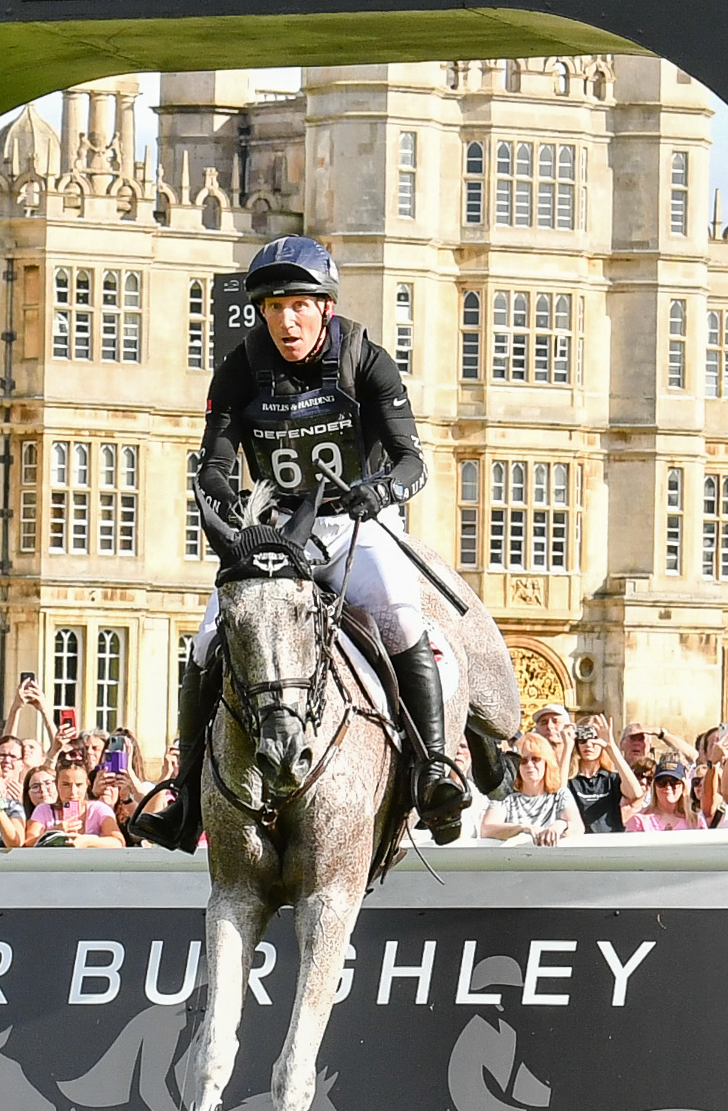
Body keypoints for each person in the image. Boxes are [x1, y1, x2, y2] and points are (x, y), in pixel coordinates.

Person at [135, 235, 479, 851]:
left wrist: (378, 491)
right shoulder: (240, 370)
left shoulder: (366, 360)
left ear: (325, 307)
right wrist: (229, 504)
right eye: (273, 307)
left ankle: (432, 769)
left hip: (354, 524)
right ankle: (186, 795)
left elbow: (412, 461)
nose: (286, 321)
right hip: (276, 532)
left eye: (298, 305)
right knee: (207, 641)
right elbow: (213, 465)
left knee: (401, 618)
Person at [481, 734, 586, 845]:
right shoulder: (505, 796)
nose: (530, 765)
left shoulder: (560, 794)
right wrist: (523, 828)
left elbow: (578, 827)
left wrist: (560, 825)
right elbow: (487, 829)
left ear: (547, 763)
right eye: (523, 760)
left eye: (536, 759)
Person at [32, 759, 124, 847]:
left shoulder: (98, 809)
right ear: (56, 784)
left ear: (87, 784)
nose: (73, 791)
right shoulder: (44, 810)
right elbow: (29, 842)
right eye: (66, 785)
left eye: (79, 785)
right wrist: (54, 832)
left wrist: (87, 842)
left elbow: (118, 842)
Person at [565, 716, 633, 833]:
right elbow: (558, 795)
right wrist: (567, 747)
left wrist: (610, 747)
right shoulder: (569, 780)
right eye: (583, 739)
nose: (588, 744)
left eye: (595, 739)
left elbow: (635, 794)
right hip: (579, 840)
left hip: (609, 840)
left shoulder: (611, 778)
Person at [621, 761, 704, 832]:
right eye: (662, 782)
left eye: (674, 782)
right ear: (654, 786)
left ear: (683, 786)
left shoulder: (697, 822)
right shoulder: (639, 821)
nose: (668, 786)